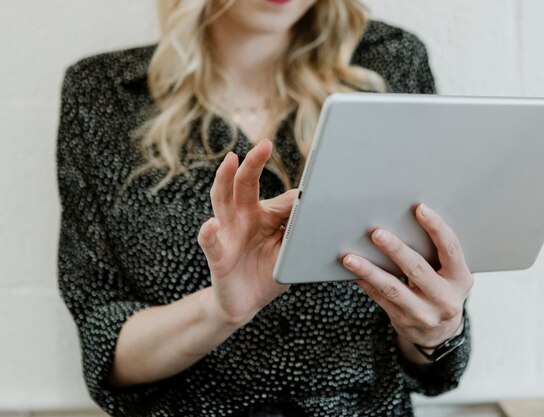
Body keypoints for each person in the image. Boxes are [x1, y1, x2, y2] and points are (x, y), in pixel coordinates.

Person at [56, 0, 474, 416]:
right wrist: (220, 311)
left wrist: (438, 329)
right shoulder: (103, 93)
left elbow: (433, 361)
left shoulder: (391, 64)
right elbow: (105, 347)